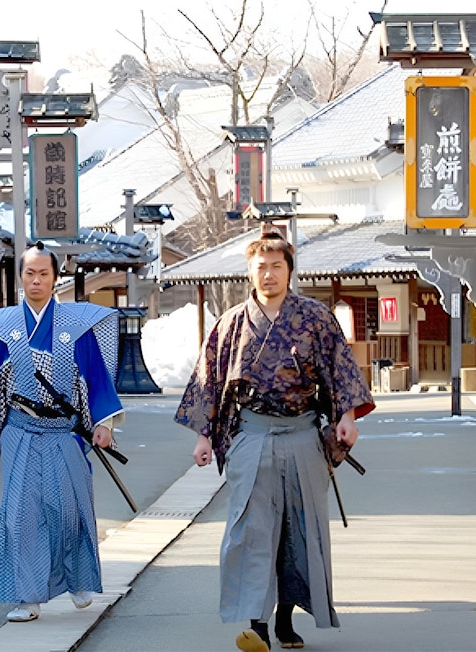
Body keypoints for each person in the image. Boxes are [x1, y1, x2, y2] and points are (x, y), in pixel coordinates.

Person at [175, 232, 374, 652]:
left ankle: (286, 618)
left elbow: (340, 370)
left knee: (298, 530)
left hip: (302, 434)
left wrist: (346, 416)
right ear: (250, 271)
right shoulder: (230, 323)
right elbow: (208, 380)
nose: (268, 274)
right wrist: (202, 436)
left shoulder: (315, 317)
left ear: (289, 270)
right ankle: (258, 624)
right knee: (252, 530)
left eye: (276, 266)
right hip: (252, 434)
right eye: (261, 266)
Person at [0, 243, 124, 623]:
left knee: (70, 508)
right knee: (21, 513)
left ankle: (77, 579)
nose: (36, 280)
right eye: (29, 273)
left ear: (55, 279)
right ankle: (27, 597)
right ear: (20, 279)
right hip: (20, 429)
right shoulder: (3, 328)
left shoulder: (76, 327)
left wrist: (103, 422)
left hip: (65, 432)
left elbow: (95, 377)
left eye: (44, 274)